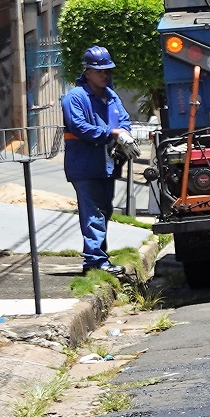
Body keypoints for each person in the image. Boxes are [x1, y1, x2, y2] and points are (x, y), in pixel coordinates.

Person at [61, 45, 135, 276]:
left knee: (104, 210)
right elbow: (80, 127)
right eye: (99, 71)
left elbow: (124, 120)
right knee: (93, 213)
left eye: (108, 71)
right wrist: (113, 134)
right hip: (84, 165)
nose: (105, 75)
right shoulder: (75, 98)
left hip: (108, 165)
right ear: (87, 72)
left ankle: (100, 258)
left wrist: (125, 135)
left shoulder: (111, 97)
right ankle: (94, 261)